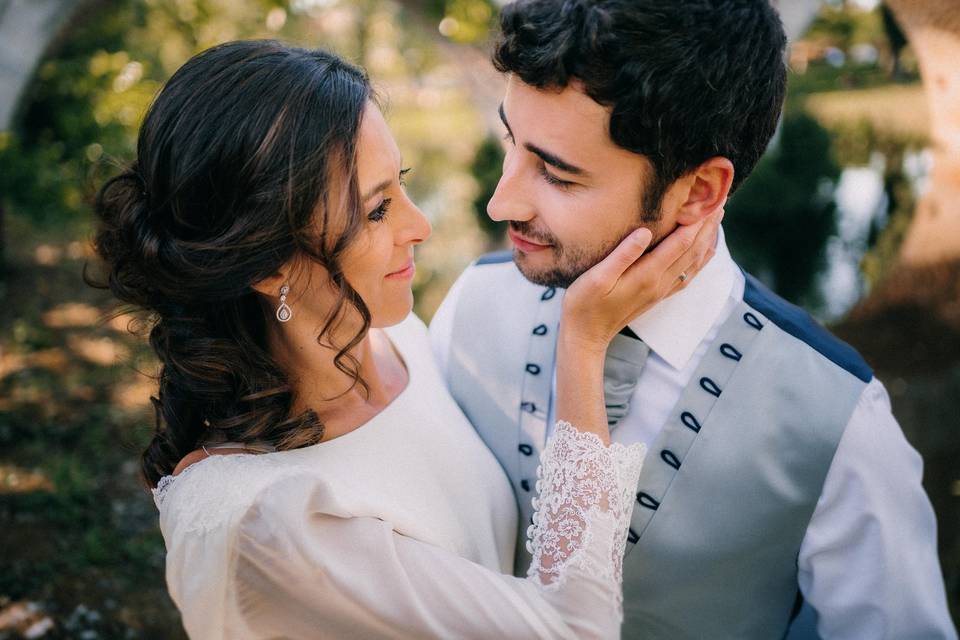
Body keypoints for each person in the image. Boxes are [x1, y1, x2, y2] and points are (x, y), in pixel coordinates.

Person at [88, 39, 719, 639]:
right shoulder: (265, 520)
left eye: (404, 184)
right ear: (267, 264)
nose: (420, 226)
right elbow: (574, 631)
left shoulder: (396, 340)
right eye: (377, 210)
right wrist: (583, 345)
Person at [430, 1, 957, 638]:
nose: (499, 200)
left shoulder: (840, 420)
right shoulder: (470, 305)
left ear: (700, 191)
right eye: (513, 141)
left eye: (556, 174)